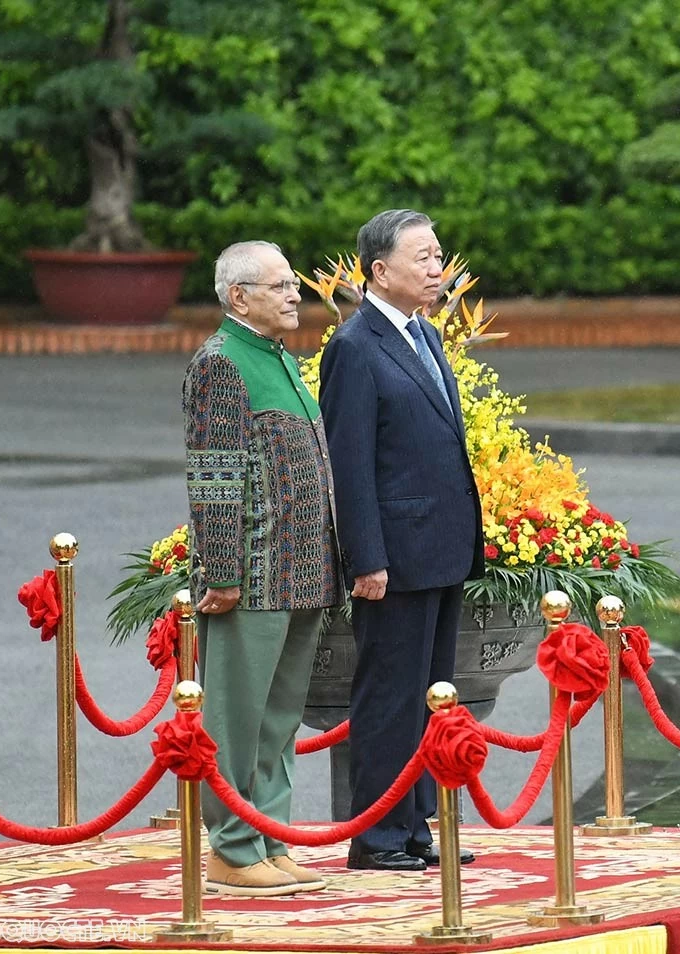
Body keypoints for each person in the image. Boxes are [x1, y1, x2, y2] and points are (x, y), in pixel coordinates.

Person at [319, 209, 484, 872]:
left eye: (439, 254)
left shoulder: (425, 334)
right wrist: (368, 558)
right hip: (395, 557)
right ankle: (378, 836)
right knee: (389, 695)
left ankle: (416, 825)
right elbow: (349, 460)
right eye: (421, 256)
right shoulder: (355, 346)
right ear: (379, 270)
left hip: (439, 547)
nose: (436, 267)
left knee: (431, 694)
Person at [184, 240, 342, 897]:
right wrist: (219, 571)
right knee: (238, 720)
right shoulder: (221, 363)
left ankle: (268, 840)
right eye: (278, 286)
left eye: (294, 287)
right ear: (238, 296)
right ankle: (231, 849)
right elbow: (214, 476)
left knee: (277, 723)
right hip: (250, 576)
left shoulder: (277, 358)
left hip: (301, 572)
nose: (293, 297)